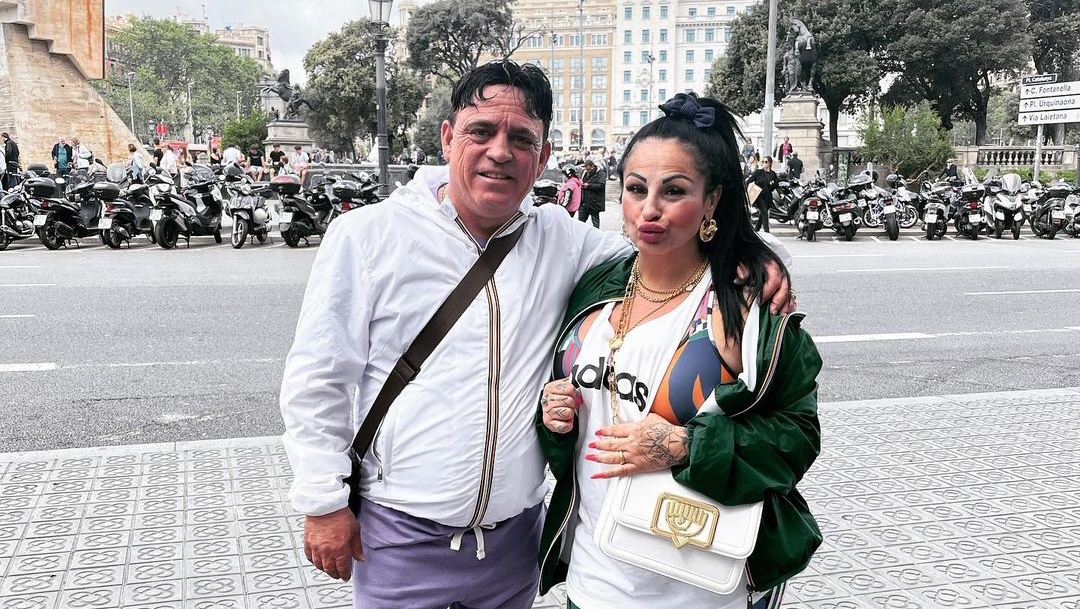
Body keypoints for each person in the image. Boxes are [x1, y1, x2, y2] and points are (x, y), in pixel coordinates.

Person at [279, 61, 794, 609]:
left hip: (515, 544)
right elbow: (318, 380)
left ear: (543, 156)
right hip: (398, 537)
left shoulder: (561, 240)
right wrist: (322, 501)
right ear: (448, 137)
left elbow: (670, 252)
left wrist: (758, 257)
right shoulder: (367, 236)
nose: (500, 152)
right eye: (481, 131)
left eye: (521, 139)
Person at [537, 92, 821, 609]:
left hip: (698, 585)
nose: (649, 209)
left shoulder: (743, 301)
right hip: (593, 579)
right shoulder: (597, 287)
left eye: (674, 191)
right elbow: (588, 430)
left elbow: (798, 437)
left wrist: (687, 446)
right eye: (636, 188)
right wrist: (556, 417)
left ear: (711, 201)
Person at [747, 156, 779, 233]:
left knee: (762, 215)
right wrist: (747, 190)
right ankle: (767, 232)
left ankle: (756, 230)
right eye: (763, 162)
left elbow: (776, 185)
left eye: (766, 162)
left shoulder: (773, 174)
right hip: (759, 196)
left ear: (770, 163)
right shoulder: (758, 172)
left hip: (768, 197)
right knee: (764, 213)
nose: (764, 163)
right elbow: (749, 181)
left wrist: (780, 193)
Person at [578, 158, 606, 228]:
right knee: (580, 223)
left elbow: (601, 185)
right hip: (584, 202)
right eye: (586, 169)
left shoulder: (601, 173)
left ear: (592, 166)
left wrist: (589, 186)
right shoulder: (584, 173)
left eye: (588, 169)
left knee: (595, 224)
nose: (587, 171)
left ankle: (596, 234)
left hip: (594, 203)